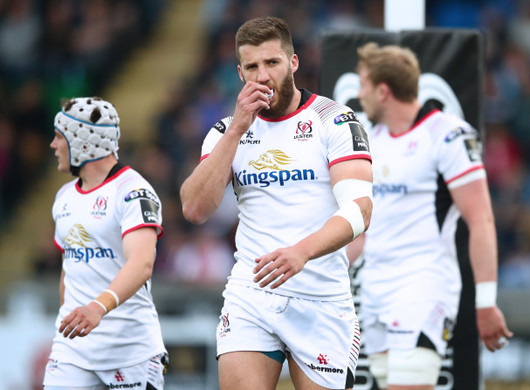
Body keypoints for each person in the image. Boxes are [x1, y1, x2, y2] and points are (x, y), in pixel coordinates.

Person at [180, 16, 373, 390]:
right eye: (252, 66)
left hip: (320, 298)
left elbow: (360, 209)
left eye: (272, 63)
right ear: (239, 73)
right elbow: (194, 209)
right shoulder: (226, 131)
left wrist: (301, 252)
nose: (263, 75)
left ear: (293, 63)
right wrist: (237, 128)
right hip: (251, 294)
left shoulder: (333, 120)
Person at [352, 42, 514, 390]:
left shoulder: (448, 134)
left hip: (423, 285)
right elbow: (359, 230)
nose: (359, 94)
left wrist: (485, 302)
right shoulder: (369, 138)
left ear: (383, 91)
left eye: (363, 85)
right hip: (374, 288)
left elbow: (481, 220)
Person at [44, 97, 168, 390]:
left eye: (59, 137)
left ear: (82, 142)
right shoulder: (64, 197)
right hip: (73, 351)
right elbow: (69, 270)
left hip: (130, 351)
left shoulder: (134, 191)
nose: (52, 145)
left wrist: (97, 308)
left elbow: (142, 264)